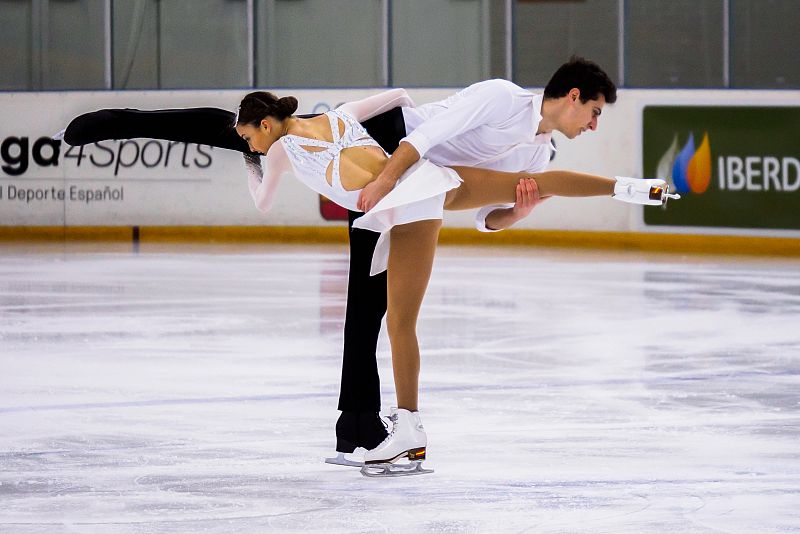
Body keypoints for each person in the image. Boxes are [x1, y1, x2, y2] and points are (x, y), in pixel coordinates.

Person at [60, 57, 678, 476]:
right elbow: (423, 135)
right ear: (573, 96)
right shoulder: (499, 97)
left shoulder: (541, 146)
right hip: (392, 150)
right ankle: (112, 123)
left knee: (387, 312)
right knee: (232, 136)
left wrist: (516, 212)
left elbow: (495, 213)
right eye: (594, 111)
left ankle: (381, 426)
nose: (595, 123)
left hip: (421, 186)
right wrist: (381, 180)